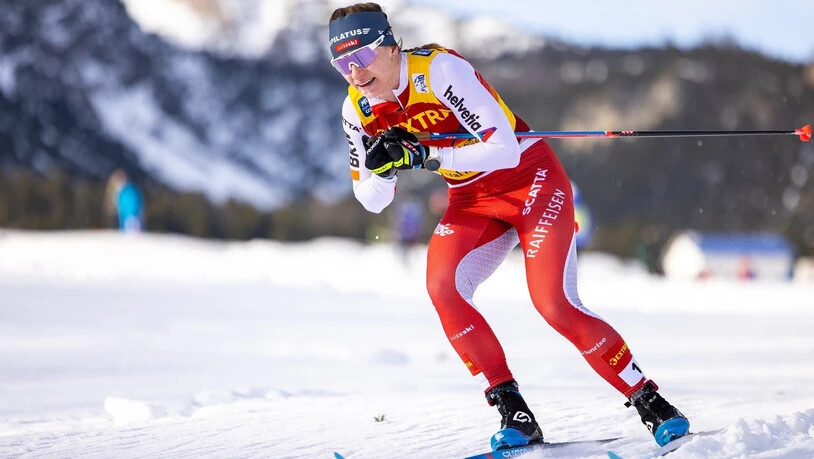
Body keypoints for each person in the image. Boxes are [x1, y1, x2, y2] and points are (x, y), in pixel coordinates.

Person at [329, 3, 689, 450]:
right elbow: (372, 198)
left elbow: (504, 148)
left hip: (530, 180)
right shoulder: (357, 109)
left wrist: (427, 156)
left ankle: (651, 403)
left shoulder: (438, 71)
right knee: (443, 288)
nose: (355, 72)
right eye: (341, 63)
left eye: (361, 57)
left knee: (554, 304)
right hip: (471, 199)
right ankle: (513, 412)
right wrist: (383, 165)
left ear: (388, 45)